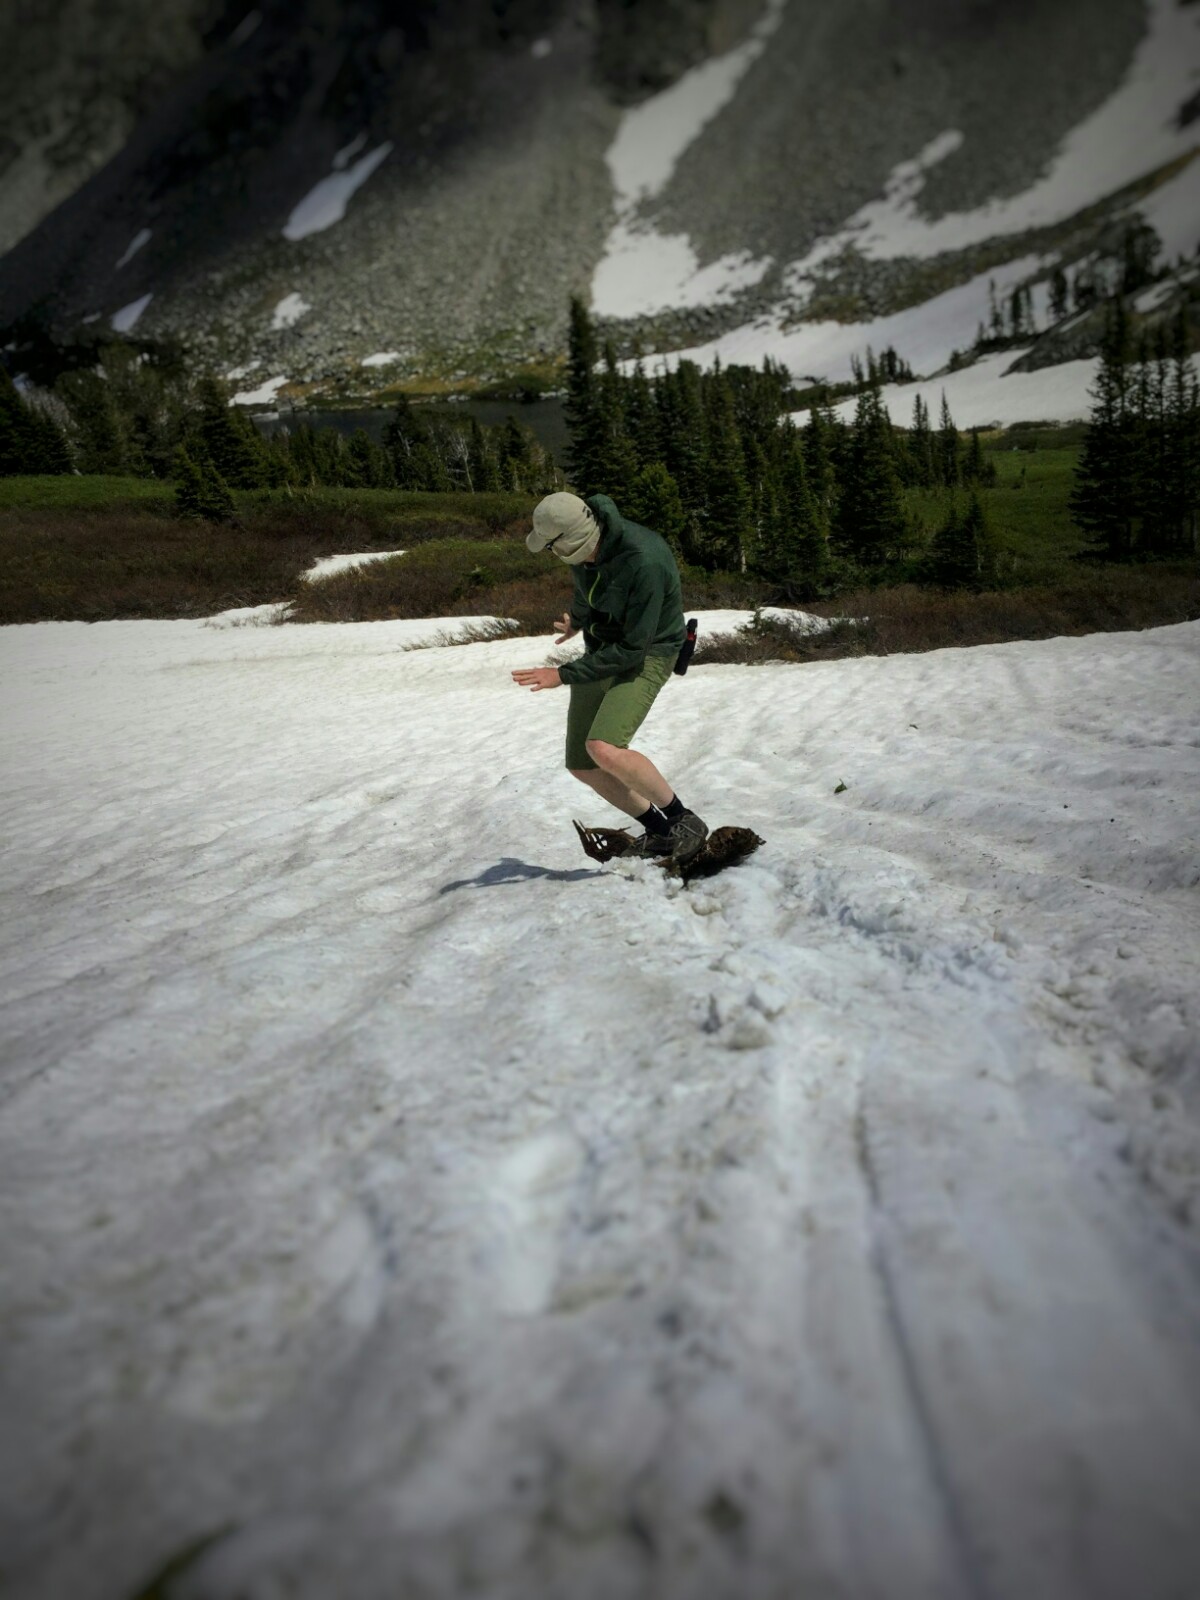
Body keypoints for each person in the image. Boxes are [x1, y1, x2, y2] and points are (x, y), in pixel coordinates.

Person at [512, 490, 708, 860]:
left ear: (570, 540)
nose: (552, 554)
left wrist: (562, 675)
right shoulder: (584, 552)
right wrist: (577, 620)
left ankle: (685, 822)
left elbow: (634, 649)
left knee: (603, 748)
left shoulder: (644, 560)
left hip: (650, 651)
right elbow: (586, 589)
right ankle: (661, 832)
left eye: (551, 547)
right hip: (604, 650)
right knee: (582, 764)